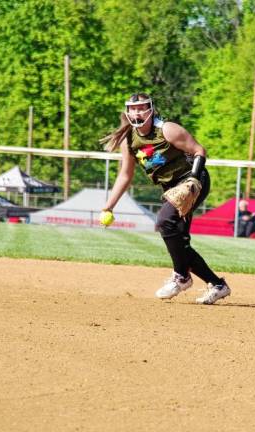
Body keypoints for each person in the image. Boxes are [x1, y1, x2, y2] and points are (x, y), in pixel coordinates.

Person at [99, 93, 230, 305]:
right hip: (171, 189)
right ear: (127, 112)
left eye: (142, 107)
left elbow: (199, 150)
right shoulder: (129, 139)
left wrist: (193, 181)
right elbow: (125, 174)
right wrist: (109, 206)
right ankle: (217, 285)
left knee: (164, 222)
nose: (137, 112)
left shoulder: (167, 129)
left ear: (151, 109)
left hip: (193, 181)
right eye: (133, 108)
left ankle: (181, 276)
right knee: (180, 241)